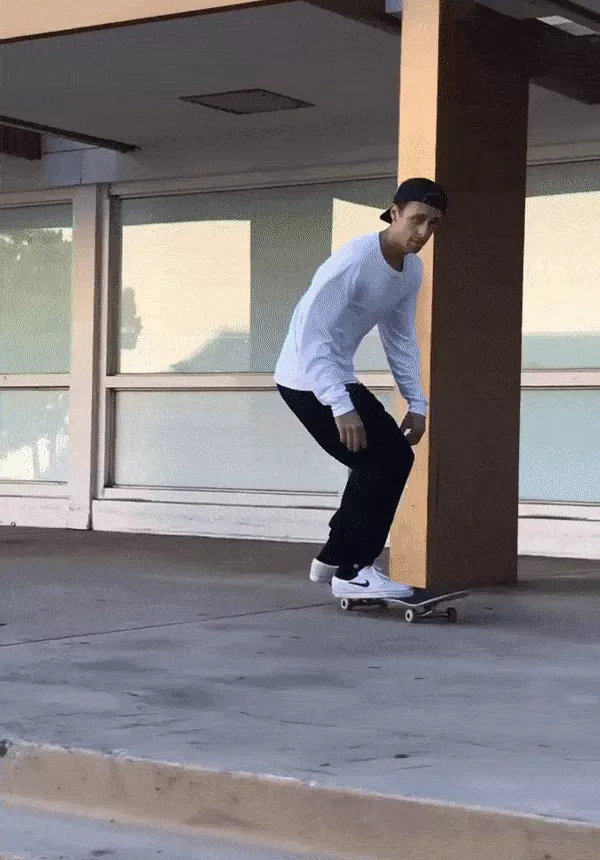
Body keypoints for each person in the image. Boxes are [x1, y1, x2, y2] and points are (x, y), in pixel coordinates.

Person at [274, 178, 447, 600]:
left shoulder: (411, 269)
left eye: (434, 225)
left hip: (337, 376)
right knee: (385, 462)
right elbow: (311, 336)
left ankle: (336, 557)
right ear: (395, 211)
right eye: (417, 219)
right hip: (306, 379)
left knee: (385, 458)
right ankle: (353, 570)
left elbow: (400, 337)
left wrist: (418, 403)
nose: (423, 233)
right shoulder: (355, 260)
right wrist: (339, 404)